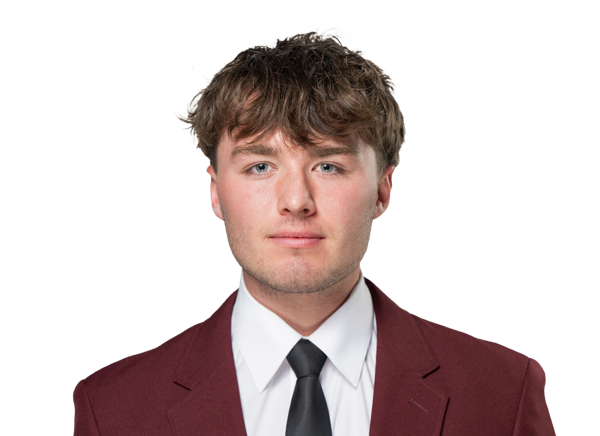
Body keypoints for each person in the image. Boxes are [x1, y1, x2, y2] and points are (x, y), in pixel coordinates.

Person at [72, 27, 555, 435]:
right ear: (216, 192)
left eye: (328, 165)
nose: (296, 201)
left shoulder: (504, 393)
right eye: (261, 166)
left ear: (383, 189)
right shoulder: (111, 410)